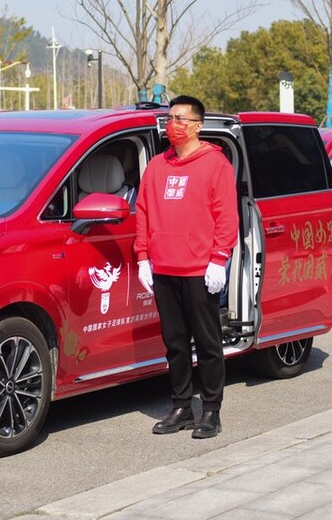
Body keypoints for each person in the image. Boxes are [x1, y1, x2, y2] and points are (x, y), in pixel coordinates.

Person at [134, 96, 237, 439]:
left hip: (198, 269)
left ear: (197, 125)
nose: (172, 124)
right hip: (164, 268)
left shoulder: (215, 164)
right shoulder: (157, 166)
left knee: (207, 343)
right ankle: (181, 407)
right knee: (175, 342)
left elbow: (226, 216)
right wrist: (143, 257)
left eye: (179, 118)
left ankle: (210, 410)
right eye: (169, 118)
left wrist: (218, 259)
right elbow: (143, 212)